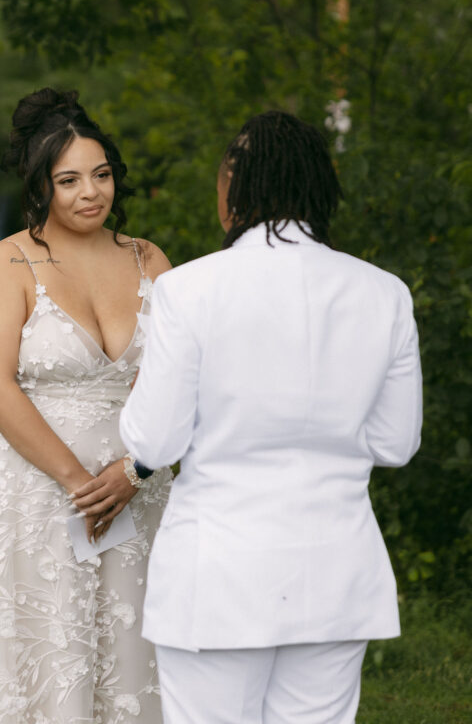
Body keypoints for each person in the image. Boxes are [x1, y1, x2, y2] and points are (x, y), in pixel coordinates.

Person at [119, 110, 422, 724]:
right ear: (318, 184)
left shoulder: (191, 289)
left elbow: (156, 437)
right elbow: (395, 443)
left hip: (220, 575)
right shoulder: (384, 291)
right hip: (336, 573)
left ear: (235, 183)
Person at [0, 88, 173, 724]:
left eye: (101, 174)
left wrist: (131, 473)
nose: (91, 192)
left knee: (130, 643)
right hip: (35, 489)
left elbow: (179, 373)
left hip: (138, 486)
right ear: (40, 186)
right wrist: (82, 486)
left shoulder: (148, 259)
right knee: (44, 644)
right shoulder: (6, 263)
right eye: (69, 180)